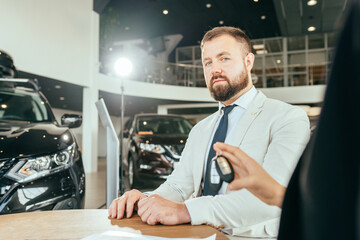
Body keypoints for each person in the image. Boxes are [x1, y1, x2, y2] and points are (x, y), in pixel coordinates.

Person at [108, 26, 310, 237]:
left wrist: (186, 211)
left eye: (224, 59)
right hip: (200, 234)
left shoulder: (287, 118)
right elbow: (178, 187)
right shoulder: (200, 129)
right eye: (208, 62)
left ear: (248, 61)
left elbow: (276, 197)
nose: (215, 69)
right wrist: (145, 200)